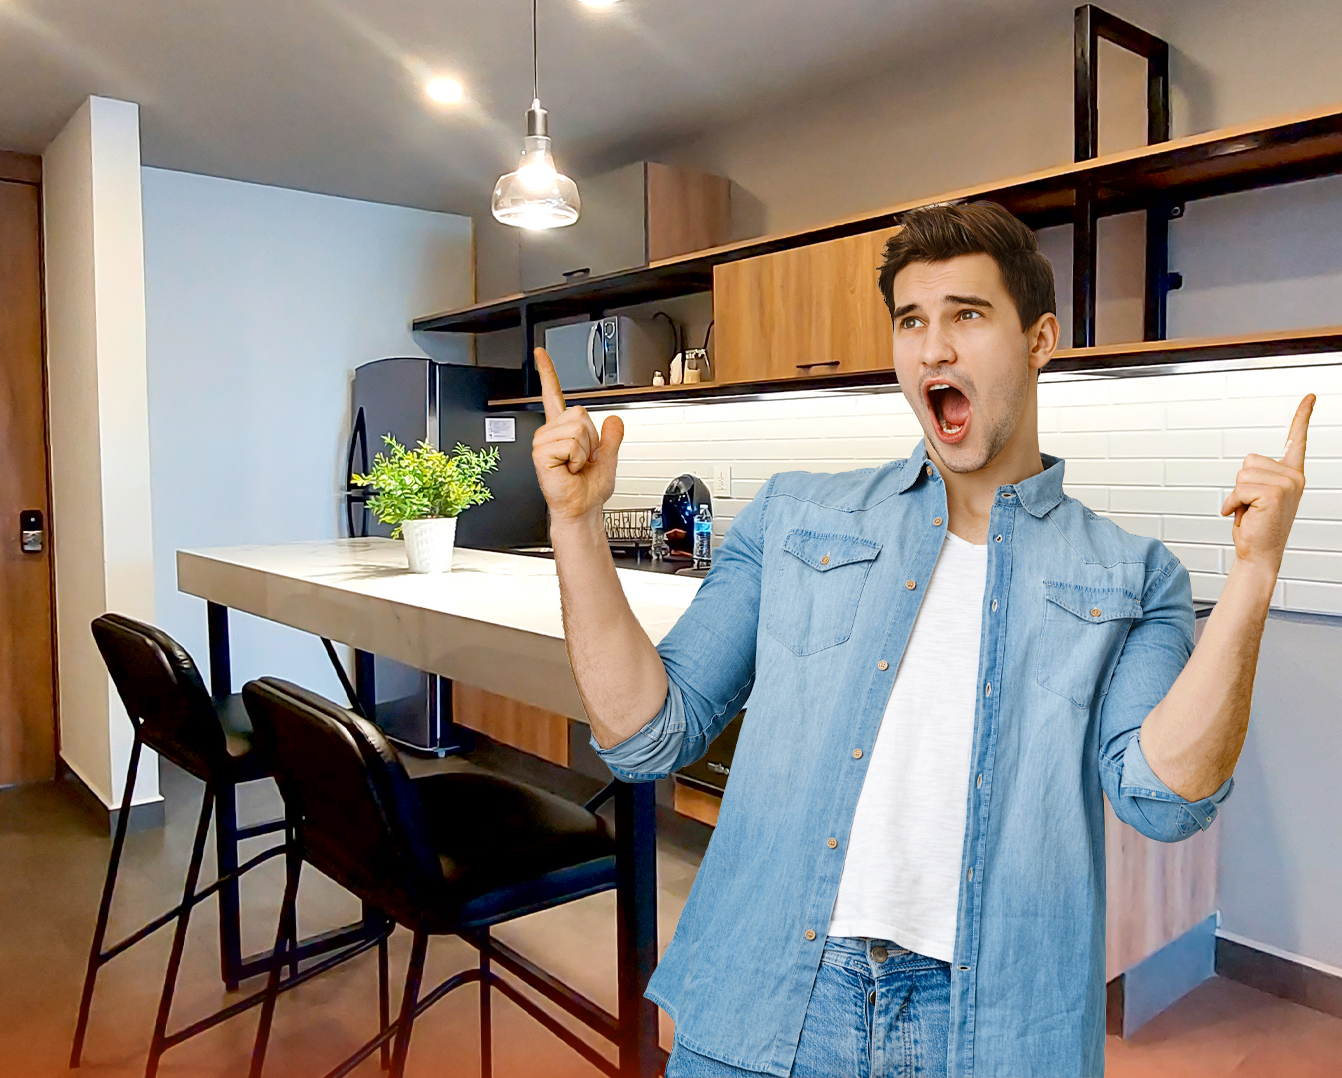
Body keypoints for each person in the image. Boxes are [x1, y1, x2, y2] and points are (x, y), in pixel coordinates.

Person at [530, 200, 1315, 1078]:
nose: (933, 348)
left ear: (1040, 339)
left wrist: (1255, 574)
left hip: (992, 1031)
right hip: (769, 999)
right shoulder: (794, 517)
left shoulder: (1132, 575)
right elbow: (647, 735)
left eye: (966, 315)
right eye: (911, 321)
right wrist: (575, 525)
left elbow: (1163, 800)